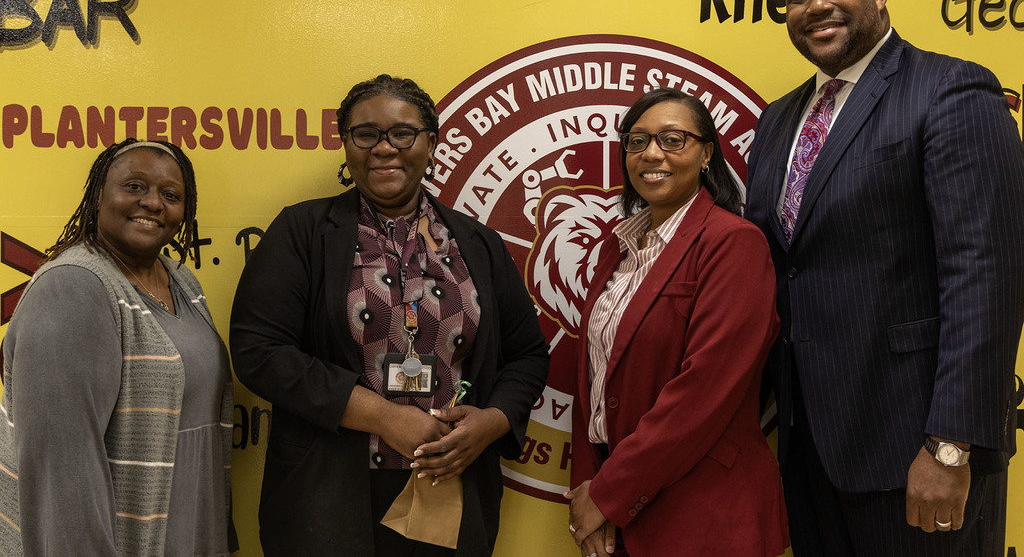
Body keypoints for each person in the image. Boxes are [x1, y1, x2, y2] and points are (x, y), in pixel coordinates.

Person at [745, 0, 1024, 556]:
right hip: (809, 449)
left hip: (918, 453)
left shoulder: (951, 91)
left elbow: (987, 279)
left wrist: (950, 447)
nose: (816, 4)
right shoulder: (777, 121)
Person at [229, 74, 550, 556]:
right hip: (326, 494)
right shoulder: (302, 231)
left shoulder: (478, 244)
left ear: (431, 143)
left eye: (402, 133)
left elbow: (527, 355)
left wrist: (492, 422)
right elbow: (259, 351)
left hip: (451, 487)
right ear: (346, 145)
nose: (384, 148)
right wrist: (383, 417)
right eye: (366, 133)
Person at [565, 88, 789, 557]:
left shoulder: (734, 244)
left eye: (672, 139)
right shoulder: (616, 248)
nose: (651, 153)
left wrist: (608, 496)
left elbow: (704, 391)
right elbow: (592, 381)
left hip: (704, 512)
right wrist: (588, 487)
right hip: (617, 512)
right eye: (637, 140)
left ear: (707, 153)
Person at [0, 139, 236, 556]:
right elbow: (62, 474)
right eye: (134, 187)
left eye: (170, 195)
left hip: (191, 530)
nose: (152, 203)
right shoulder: (71, 288)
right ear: (98, 196)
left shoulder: (181, 280)